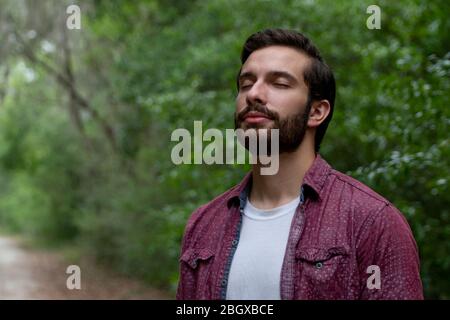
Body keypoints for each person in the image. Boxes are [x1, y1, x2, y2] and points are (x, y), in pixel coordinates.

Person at [176, 28, 423, 300]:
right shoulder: (204, 224)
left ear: (316, 111)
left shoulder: (372, 222)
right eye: (246, 84)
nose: (254, 94)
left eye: (279, 83)